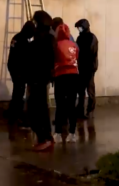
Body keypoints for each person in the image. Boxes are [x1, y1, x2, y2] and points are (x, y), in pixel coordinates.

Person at [27, 10, 56, 151]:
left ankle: (44, 137)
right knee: (39, 108)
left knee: (37, 109)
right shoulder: (46, 36)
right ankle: (46, 137)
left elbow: (43, 57)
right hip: (39, 77)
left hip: (39, 77)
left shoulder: (44, 38)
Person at [53, 23, 80, 143]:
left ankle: (58, 133)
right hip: (73, 76)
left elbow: (53, 59)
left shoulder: (56, 45)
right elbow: (77, 57)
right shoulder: (74, 45)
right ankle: (72, 133)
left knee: (59, 105)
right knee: (71, 104)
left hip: (60, 76)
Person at [7, 21, 35, 125]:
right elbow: (24, 57)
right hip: (18, 69)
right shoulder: (23, 40)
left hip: (14, 67)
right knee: (19, 91)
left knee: (18, 90)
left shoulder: (17, 37)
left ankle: (14, 113)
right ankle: (16, 114)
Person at [74, 19, 98, 119]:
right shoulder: (80, 38)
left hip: (89, 68)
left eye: (79, 27)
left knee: (90, 90)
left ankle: (90, 111)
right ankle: (80, 111)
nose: (78, 29)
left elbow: (90, 52)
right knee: (81, 91)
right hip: (82, 67)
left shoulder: (91, 38)